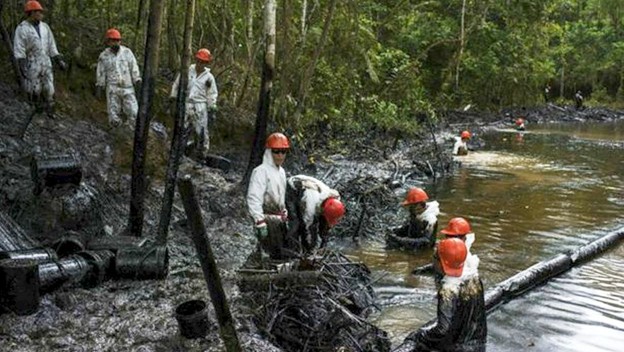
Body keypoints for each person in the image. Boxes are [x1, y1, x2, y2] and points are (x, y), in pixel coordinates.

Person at [395, 237, 487, 351]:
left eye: (434, 257)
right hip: (478, 343)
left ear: (441, 263)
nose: (432, 261)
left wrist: (420, 336)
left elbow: (443, 329)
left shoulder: (448, 290)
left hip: (457, 348)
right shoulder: (474, 278)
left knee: (417, 338)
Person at [13, 0, 67, 117]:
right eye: (38, 12)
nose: (41, 14)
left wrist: (58, 60)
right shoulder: (22, 28)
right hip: (32, 62)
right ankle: (35, 111)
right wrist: (21, 66)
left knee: (49, 87)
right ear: (31, 13)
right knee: (34, 88)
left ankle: (51, 111)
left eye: (41, 12)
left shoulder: (45, 27)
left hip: (46, 61)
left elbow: (52, 45)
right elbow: (19, 49)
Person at [247, 132, 290, 260]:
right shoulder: (260, 172)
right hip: (266, 219)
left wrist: (284, 211)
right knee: (269, 253)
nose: (280, 155)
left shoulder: (282, 172)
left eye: (284, 151)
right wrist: (259, 221)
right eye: (277, 151)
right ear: (269, 152)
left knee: (281, 252)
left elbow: (281, 196)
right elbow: (254, 197)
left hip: (279, 219)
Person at [170, 48, 218, 158]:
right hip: (186, 104)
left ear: (206, 63)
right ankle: (179, 154)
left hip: (200, 106)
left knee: (201, 132)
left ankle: (201, 156)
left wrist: (212, 107)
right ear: (196, 60)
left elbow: (212, 94)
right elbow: (177, 84)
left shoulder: (209, 77)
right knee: (182, 129)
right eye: (199, 61)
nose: (200, 63)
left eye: (203, 62)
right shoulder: (187, 70)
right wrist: (173, 97)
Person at [285, 175, 345, 253]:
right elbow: (308, 225)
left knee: (322, 223)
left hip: (307, 193)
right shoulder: (311, 204)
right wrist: (311, 248)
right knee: (296, 223)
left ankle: (320, 246)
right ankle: (293, 249)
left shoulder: (335, 199)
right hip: (291, 189)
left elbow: (328, 221)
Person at [96, 28, 141, 128]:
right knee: (113, 116)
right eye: (113, 40)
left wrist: (137, 80)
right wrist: (99, 85)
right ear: (108, 42)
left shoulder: (127, 53)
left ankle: (131, 136)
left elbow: (133, 66)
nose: (116, 43)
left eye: (117, 40)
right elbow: (101, 72)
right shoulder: (104, 56)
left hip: (127, 87)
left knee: (134, 113)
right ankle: (116, 136)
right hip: (112, 88)